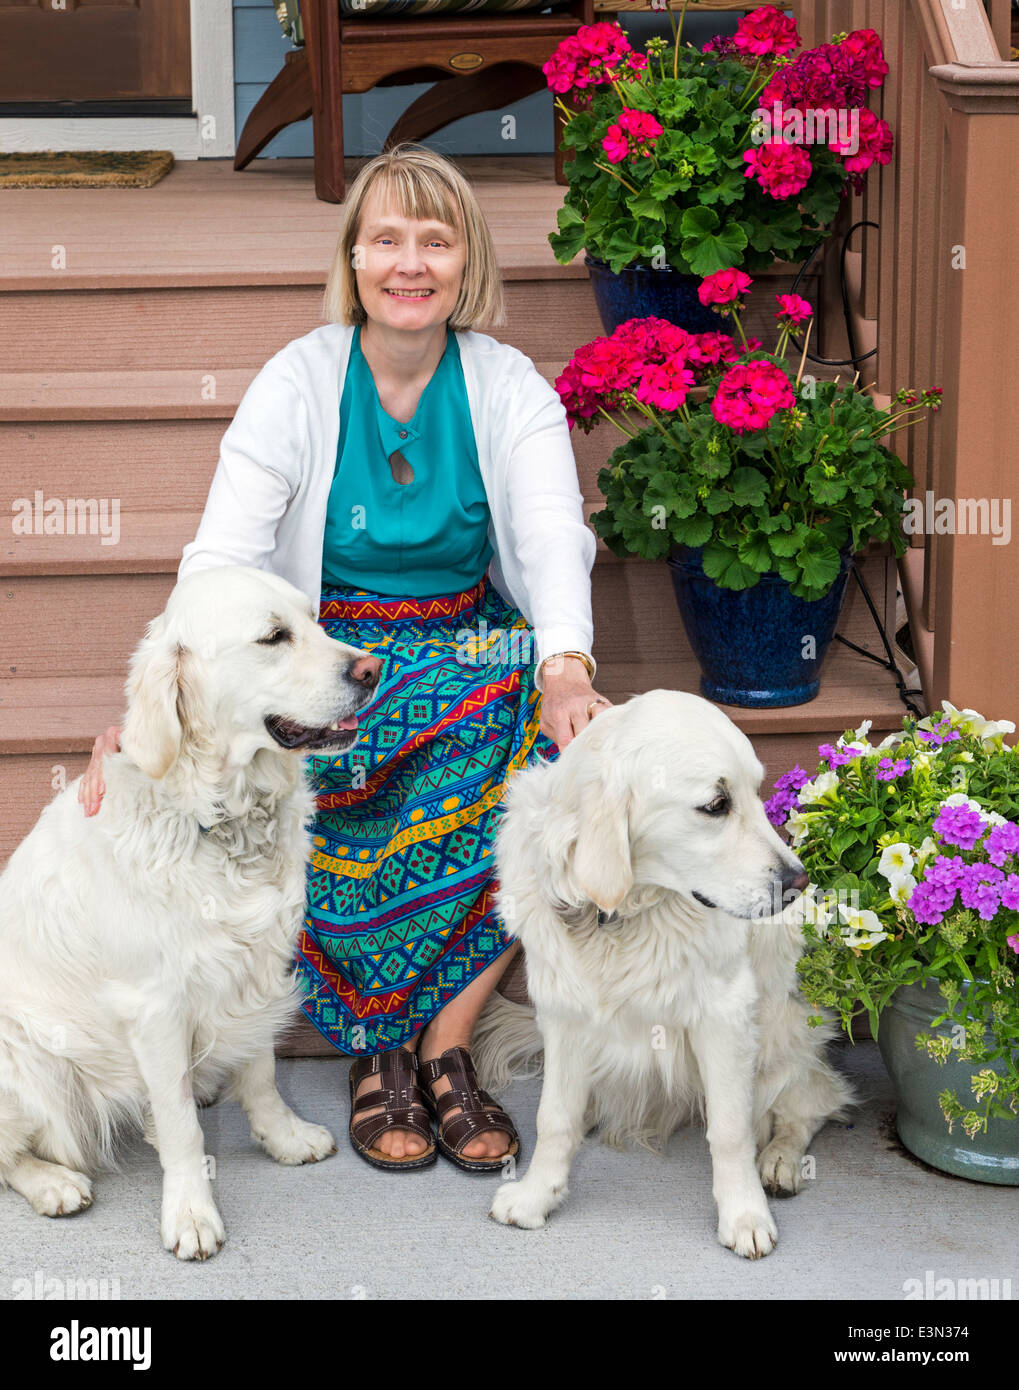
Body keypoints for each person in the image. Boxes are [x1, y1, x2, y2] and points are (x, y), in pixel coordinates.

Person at [79, 143, 610, 1173]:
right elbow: (222, 555)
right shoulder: (300, 379)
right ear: (353, 258)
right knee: (294, 748)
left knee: (545, 746)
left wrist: (567, 668)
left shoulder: (505, 387)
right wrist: (158, 692)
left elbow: (551, 536)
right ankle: (376, 1053)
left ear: (466, 263)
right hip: (324, 649)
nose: (408, 264)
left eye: (434, 240)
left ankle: (446, 1049)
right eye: (384, 240)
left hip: (466, 639)